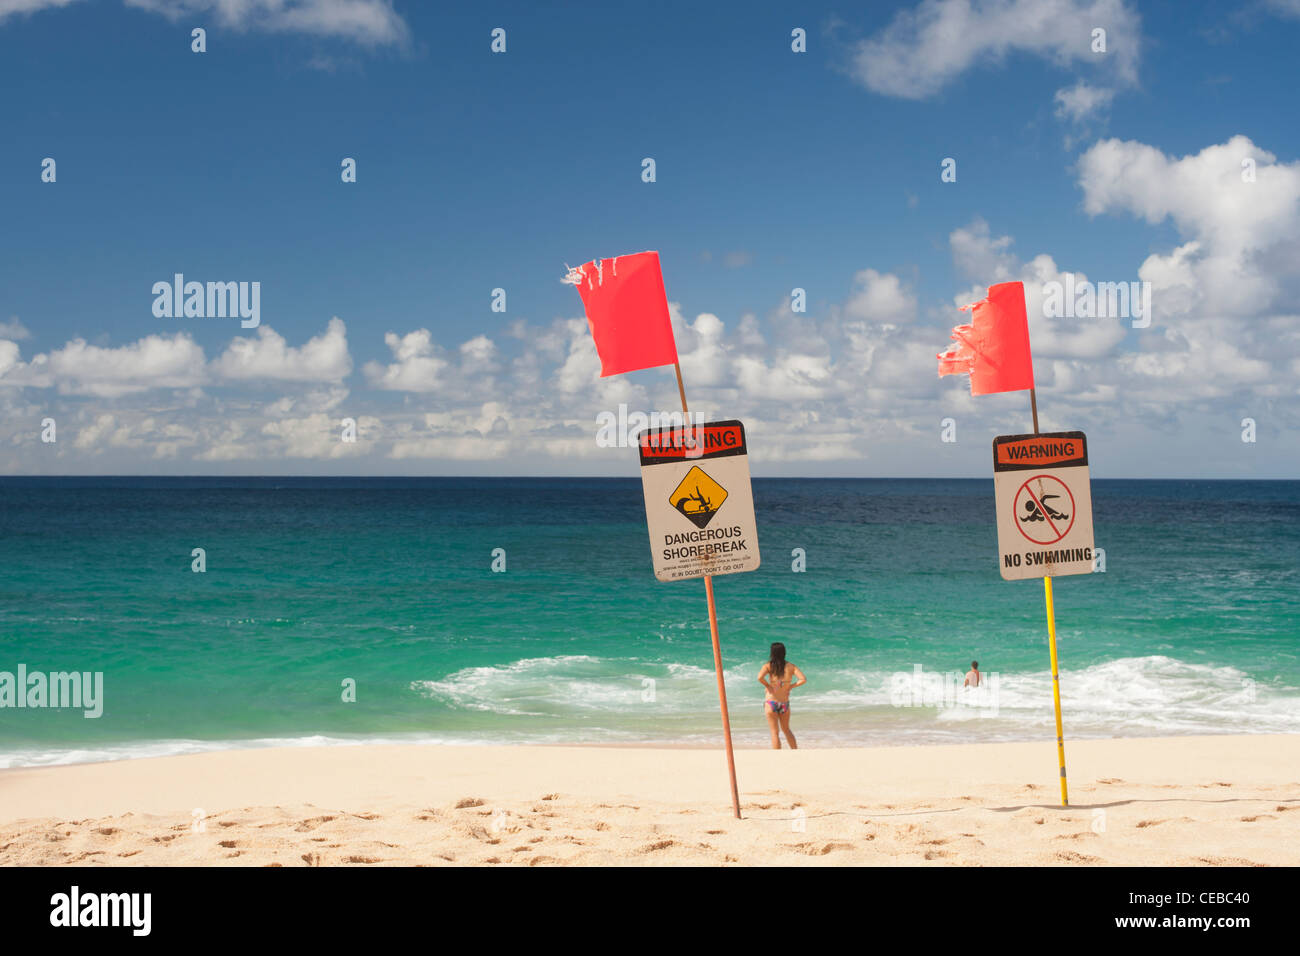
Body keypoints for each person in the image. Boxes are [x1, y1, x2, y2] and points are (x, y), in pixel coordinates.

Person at [758, 642, 805, 749]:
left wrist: (768, 686)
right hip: (784, 703)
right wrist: (790, 686)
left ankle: (777, 756)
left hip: (771, 702)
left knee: (774, 732)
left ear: (772, 653)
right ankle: (795, 751)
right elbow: (803, 679)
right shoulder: (791, 666)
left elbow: (759, 677)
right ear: (784, 652)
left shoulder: (768, 666)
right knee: (786, 730)